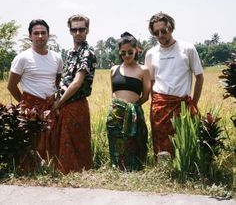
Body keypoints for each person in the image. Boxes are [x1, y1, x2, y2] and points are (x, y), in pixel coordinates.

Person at [144, 12, 204, 158]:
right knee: (161, 144)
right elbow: (150, 81)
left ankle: (182, 173)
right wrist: (156, 103)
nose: (160, 35)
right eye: (156, 33)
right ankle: (163, 173)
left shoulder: (187, 49)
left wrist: (193, 103)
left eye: (163, 31)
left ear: (171, 28)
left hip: (182, 105)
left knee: (182, 143)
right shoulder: (151, 53)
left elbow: (199, 77)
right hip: (159, 106)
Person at [7, 19, 63, 169]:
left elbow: (57, 84)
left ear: (48, 35)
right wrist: (25, 104)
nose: (40, 36)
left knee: (51, 140)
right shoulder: (22, 58)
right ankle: (29, 171)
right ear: (30, 36)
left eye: (43, 33)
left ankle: (51, 170)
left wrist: (56, 103)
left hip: (50, 106)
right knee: (31, 142)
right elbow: (11, 86)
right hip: (30, 109)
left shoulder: (57, 58)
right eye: (36, 33)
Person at [53, 14, 96, 174]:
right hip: (65, 103)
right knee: (64, 142)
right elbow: (65, 79)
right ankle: (66, 175)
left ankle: (80, 177)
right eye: (74, 29)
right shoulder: (71, 52)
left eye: (81, 29)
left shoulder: (87, 53)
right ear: (70, 31)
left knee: (78, 143)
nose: (78, 32)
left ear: (87, 30)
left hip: (76, 104)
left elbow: (77, 83)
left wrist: (58, 103)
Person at [106, 32, 151, 171]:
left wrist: (131, 108)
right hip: (116, 114)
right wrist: (119, 108)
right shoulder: (114, 69)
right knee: (116, 142)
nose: (126, 56)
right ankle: (117, 168)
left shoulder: (143, 70)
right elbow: (113, 92)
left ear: (136, 50)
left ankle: (135, 169)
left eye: (130, 52)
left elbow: (145, 96)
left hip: (134, 114)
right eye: (123, 53)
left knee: (135, 142)